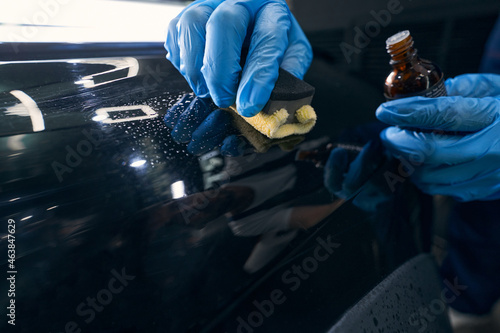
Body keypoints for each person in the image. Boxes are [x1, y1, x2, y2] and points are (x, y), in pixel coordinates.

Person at [164, 0, 500, 330]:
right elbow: (307, 206)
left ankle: (471, 304)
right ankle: (469, 303)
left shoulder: (235, 170)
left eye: (182, 204)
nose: (192, 203)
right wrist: (361, 195)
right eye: (188, 214)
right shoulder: (246, 222)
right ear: (201, 224)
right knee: (477, 213)